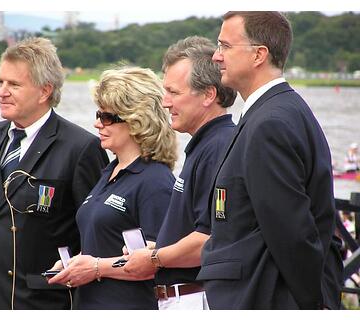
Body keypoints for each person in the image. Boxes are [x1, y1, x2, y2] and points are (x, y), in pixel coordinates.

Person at [198, 11, 343, 309]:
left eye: (225, 46)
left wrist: (313, 307)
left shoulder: (270, 123)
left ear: (258, 55)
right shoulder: (272, 112)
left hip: (269, 298)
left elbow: (292, 232)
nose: (216, 56)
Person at [0, 37, 109, 309]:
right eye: (0, 82)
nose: (1, 92)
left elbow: (95, 235)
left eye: (14, 84)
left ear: (44, 91)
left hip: (43, 303)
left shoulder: (80, 147)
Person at [48, 66, 178, 310]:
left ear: (136, 121)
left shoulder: (155, 181)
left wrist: (96, 267)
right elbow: (104, 246)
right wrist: (74, 265)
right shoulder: (109, 172)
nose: (97, 124)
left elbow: (157, 262)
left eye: (107, 117)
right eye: (98, 114)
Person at [123, 36, 237, 309]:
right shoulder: (204, 144)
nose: (165, 102)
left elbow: (210, 239)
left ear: (209, 94)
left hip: (194, 299)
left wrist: (153, 259)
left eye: (174, 92)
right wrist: (155, 250)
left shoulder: (219, 146)